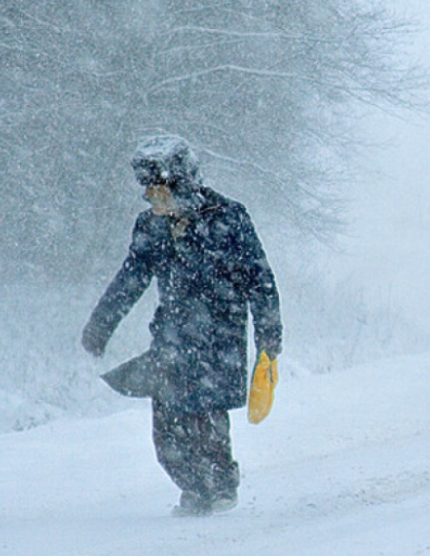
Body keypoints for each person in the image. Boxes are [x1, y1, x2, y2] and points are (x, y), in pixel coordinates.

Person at [81, 135, 282, 516]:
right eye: (149, 194)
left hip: (219, 339)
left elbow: (261, 280)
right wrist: (100, 324)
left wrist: (269, 338)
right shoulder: (150, 227)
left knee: (205, 419)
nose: (154, 202)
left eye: (161, 193)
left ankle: (221, 486)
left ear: (184, 185)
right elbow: (131, 279)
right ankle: (193, 489)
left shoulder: (230, 218)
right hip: (171, 339)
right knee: (167, 431)